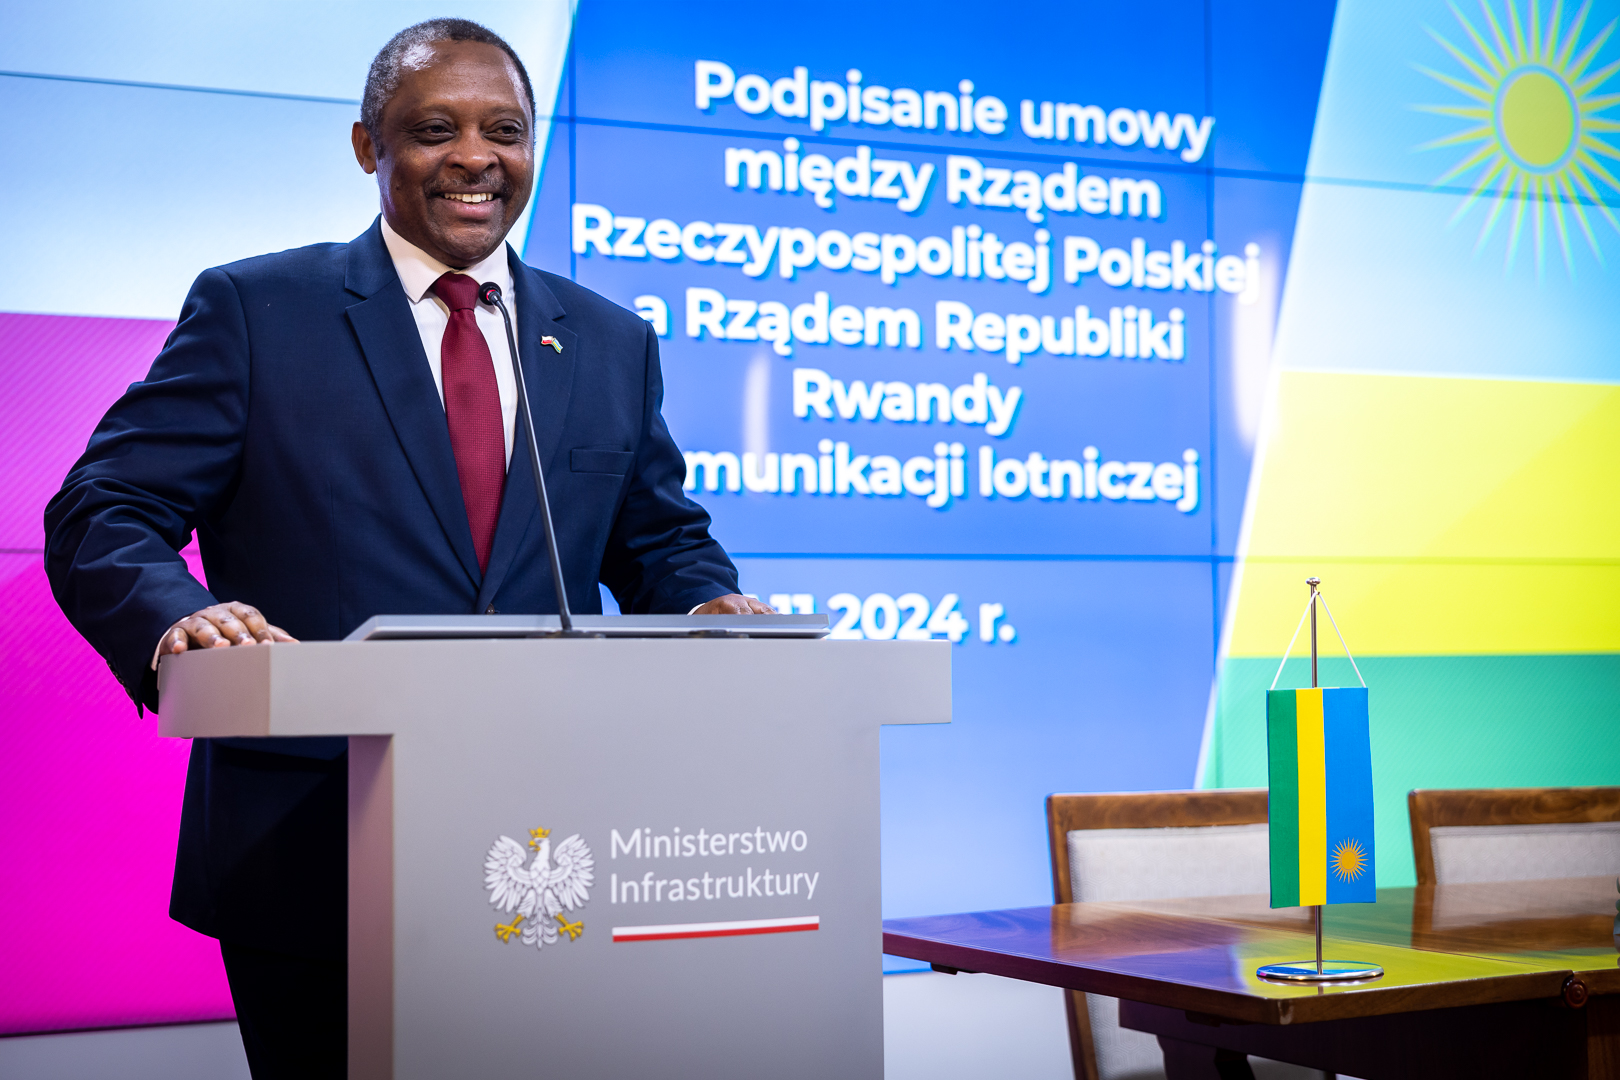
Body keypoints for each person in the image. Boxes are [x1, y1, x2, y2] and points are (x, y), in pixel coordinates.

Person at [44, 18, 770, 1078]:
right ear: (366, 146)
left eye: (504, 131)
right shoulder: (258, 310)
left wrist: (708, 604)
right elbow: (104, 507)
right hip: (311, 847)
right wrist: (179, 614)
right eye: (436, 130)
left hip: (549, 842)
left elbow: (658, 537)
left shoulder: (609, 339)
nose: (477, 157)